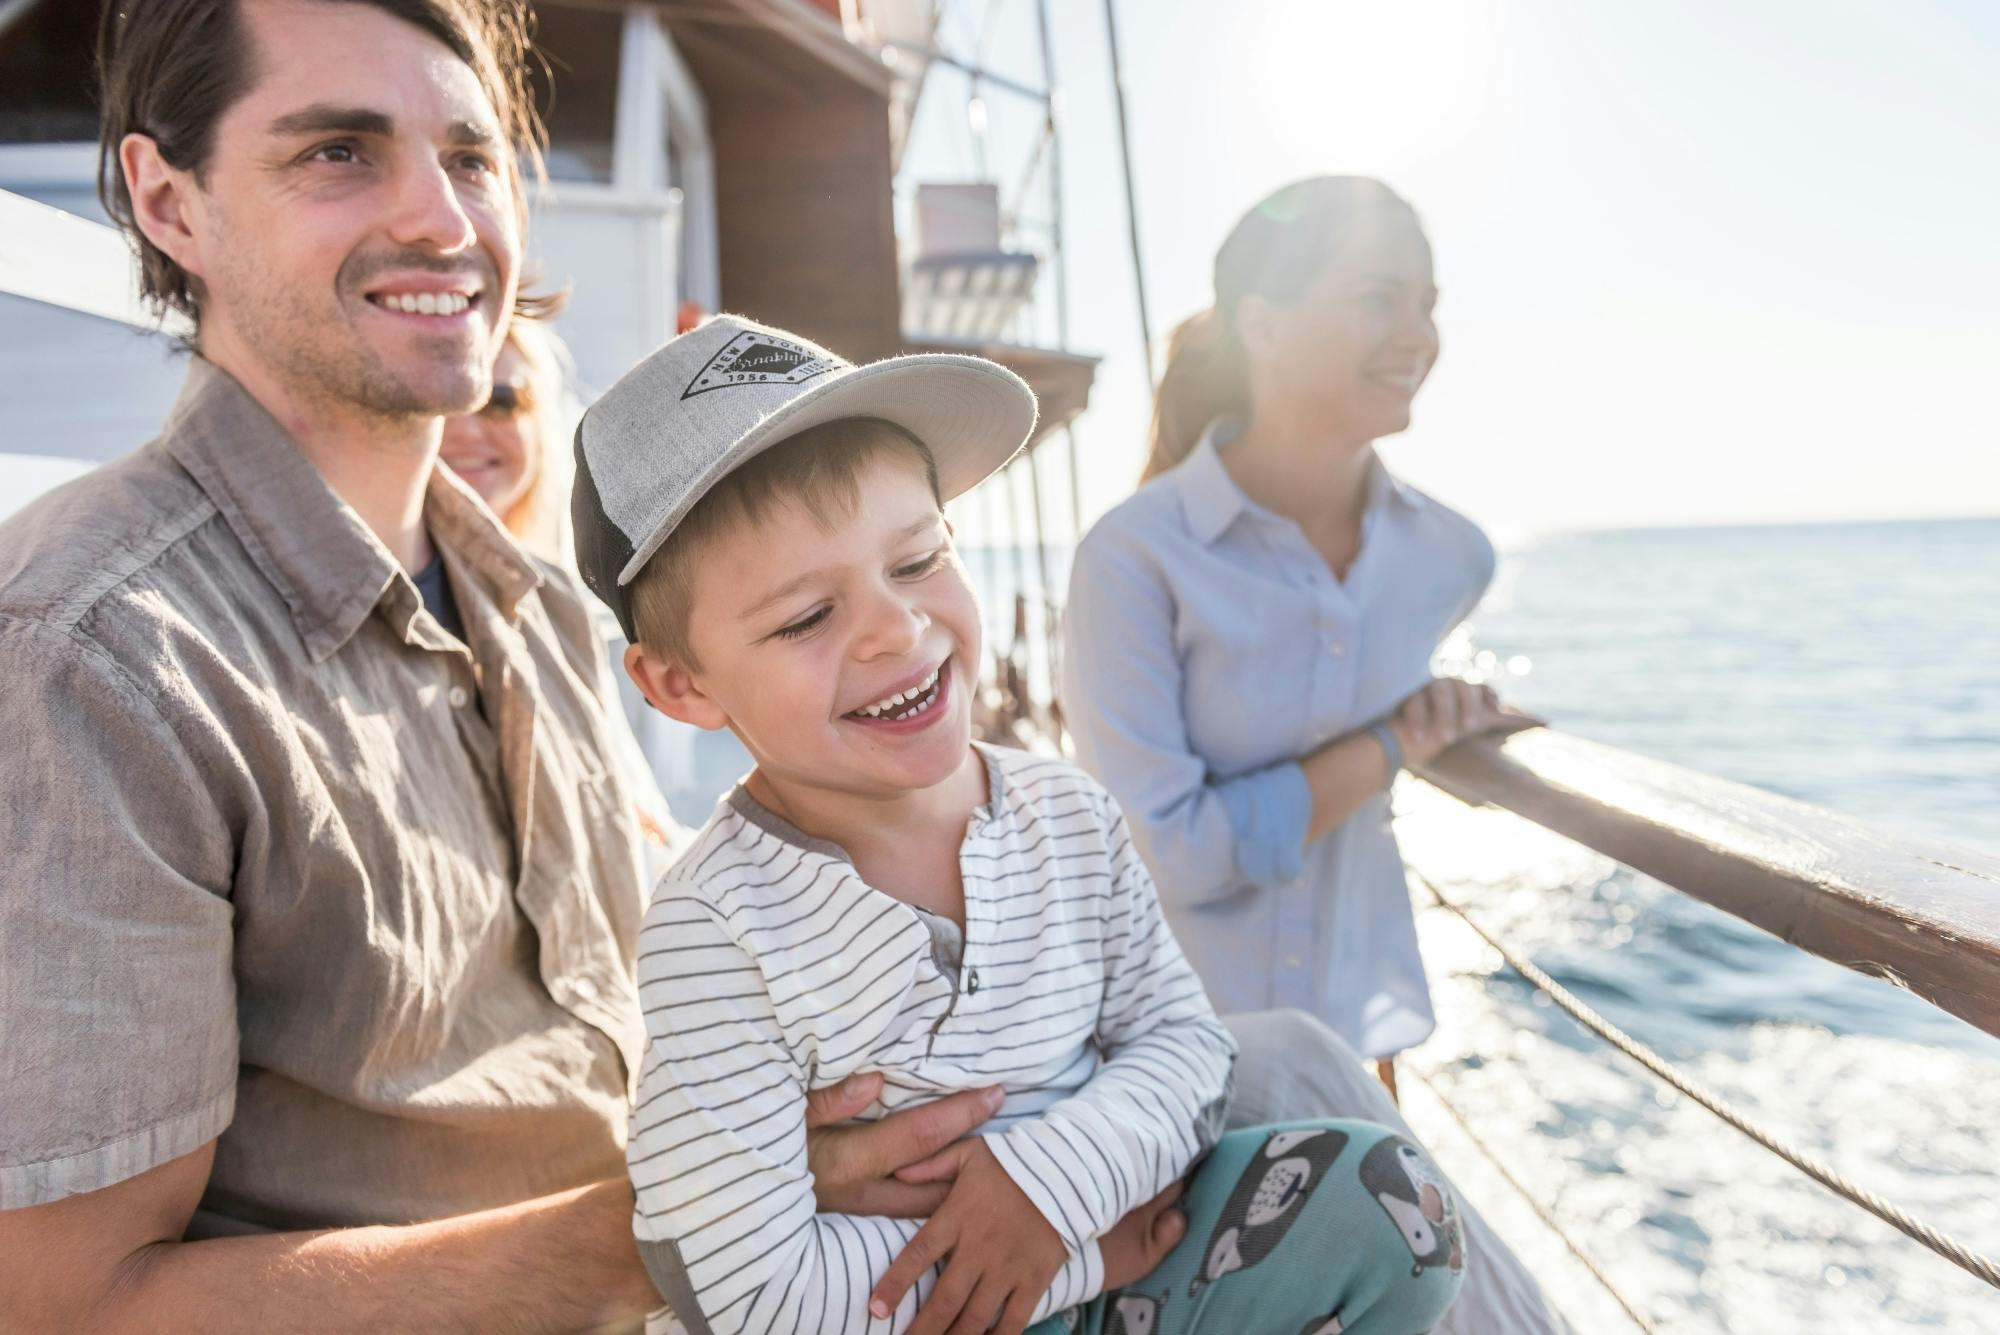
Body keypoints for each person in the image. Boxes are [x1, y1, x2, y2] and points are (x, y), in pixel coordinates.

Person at [571, 313, 1467, 1335]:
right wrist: (1067, 1258)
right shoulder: (711, 928)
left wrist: (1051, 1186)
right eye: (805, 619)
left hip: (1119, 1264)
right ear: (679, 684)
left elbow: (1183, 1049)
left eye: (916, 562)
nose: (896, 629)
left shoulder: (1069, 815)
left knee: (1392, 1206)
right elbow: (748, 1294)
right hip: (908, 1317)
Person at [1063, 177, 1534, 1086]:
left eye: (1427, 305)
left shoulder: (1452, 556)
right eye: (1377, 299)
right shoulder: (1132, 558)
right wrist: (1396, 742)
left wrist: (1441, 713)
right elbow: (1175, 854)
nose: (1417, 335)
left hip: (1359, 1050)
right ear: (1263, 325)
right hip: (1163, 1068)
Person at [442, 317, 685, 860]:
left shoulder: (557, 601)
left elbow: (636, 807)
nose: (464, 429)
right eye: (440, 403)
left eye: (502, 400)